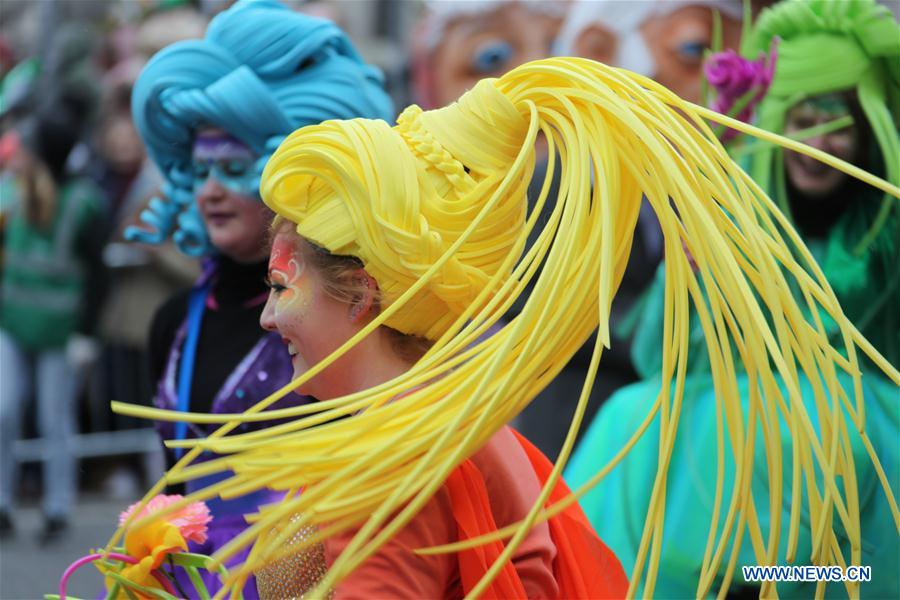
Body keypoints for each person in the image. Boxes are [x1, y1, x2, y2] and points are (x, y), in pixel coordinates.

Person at [113, 49, 897, 600]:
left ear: (367, 289)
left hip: (816, 469)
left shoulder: (398, 464)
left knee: (821, 577)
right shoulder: (450, 424)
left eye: (282, 284)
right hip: (702, 453)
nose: (271, 311)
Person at [565, 0, 899, 597]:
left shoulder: (889, 229)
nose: (817, 141)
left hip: (851, 435)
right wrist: (687, 279)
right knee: (630, 419)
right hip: (725, 432)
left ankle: (789, 579)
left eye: (838, 122)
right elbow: (661, 359)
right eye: (802, 118)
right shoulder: (731, 216)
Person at [126, 0, 393, 595]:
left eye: (235, 166)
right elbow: (173, 482)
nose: (211, 190)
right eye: (199, 171)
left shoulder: (344, 317)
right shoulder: (174, 320)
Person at [0, 85, 107, 542]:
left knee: (53, 418)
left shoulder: (84, 204)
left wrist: (87, 334)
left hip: (60, 332)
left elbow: (101, 274)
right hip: (11, 322)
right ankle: (2, 503)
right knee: (3, 411)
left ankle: (57, 508)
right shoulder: (10, 195)